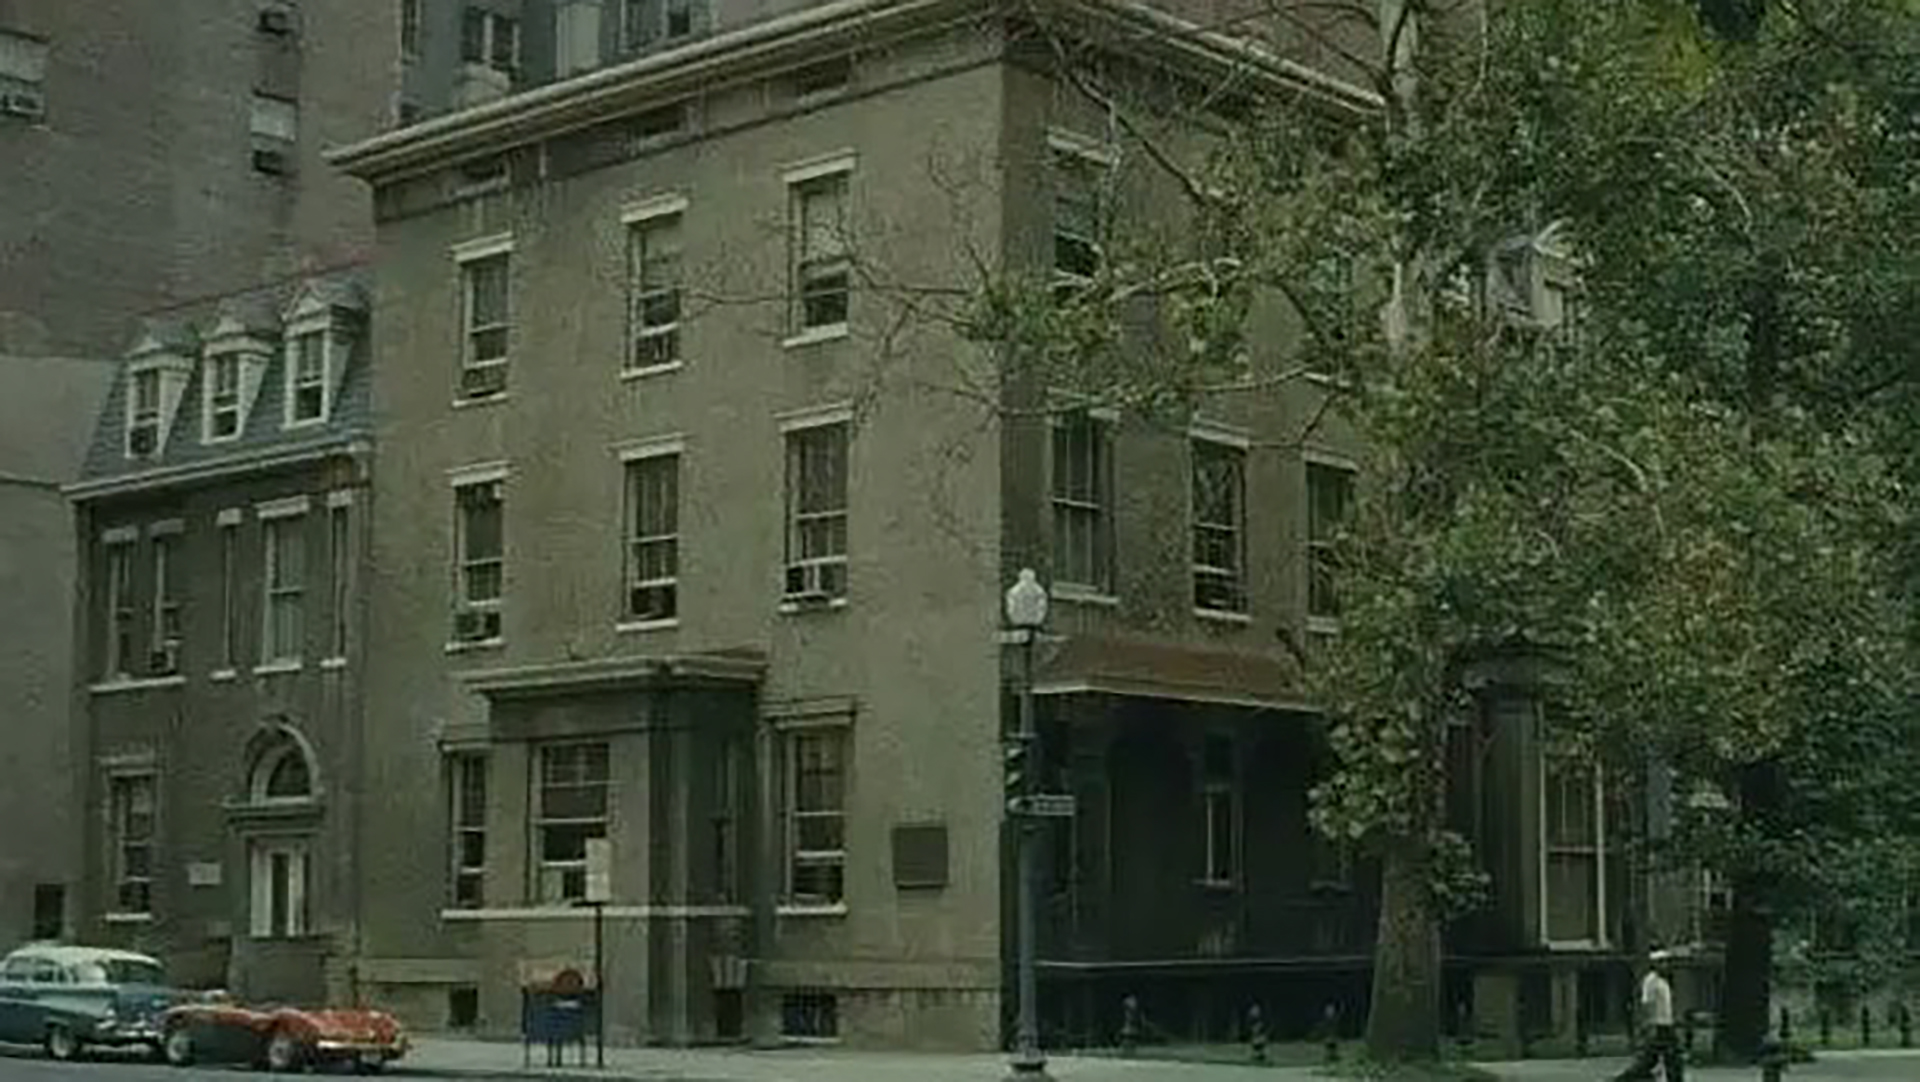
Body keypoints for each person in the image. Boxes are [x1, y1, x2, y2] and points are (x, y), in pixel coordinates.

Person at [1615, 948, 1684, 1081]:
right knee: (1650, 1059)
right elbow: (1647, 1003)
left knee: (1671, 1056)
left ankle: (1673, 1078)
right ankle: (1625, 1079)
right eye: (1662, 962)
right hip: (1657, 1025)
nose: (1665, 965)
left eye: (1667, 962)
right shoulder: (1651, 981)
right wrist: (1648, 1024)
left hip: (1666, 1024)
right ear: (1655, 964)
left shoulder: (1664, 981)